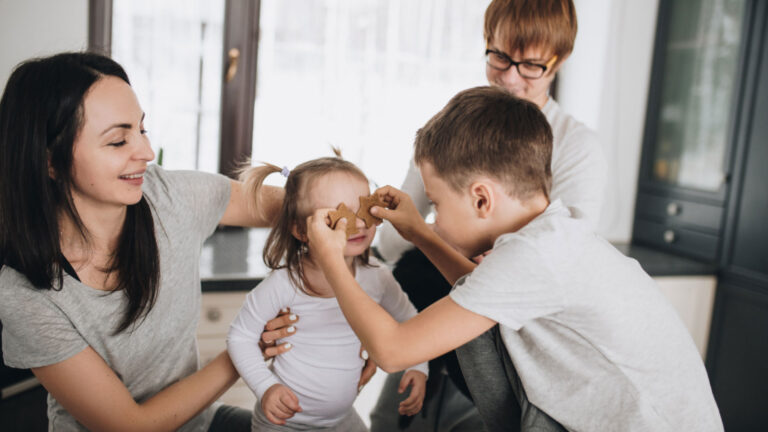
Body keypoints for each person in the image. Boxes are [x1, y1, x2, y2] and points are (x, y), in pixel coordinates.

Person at [305, 86, 724, 431]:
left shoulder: (535, 254)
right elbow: (485, 294)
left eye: (435, 205)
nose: (435, 219)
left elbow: (393, 350)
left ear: (482, 198)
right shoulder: (552, 236)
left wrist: (330, 260)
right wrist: (418, 231)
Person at [0, 52, 283, 431]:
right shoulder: (23, 293)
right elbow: (132, 426)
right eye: (118, 141)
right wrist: (247, 350)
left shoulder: (169, 197)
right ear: (50, 160)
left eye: (142, 130)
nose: (146, 154)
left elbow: (290, 207)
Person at [371, 0, 606, 430]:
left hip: (509, 344)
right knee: (389, 420)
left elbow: (550, 268)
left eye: (532, 65)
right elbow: (392, 244)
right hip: (431, 316)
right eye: (499, 57)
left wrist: (427, 235)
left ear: (562, 59)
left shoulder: (577, 148)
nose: (511, 78)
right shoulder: (457, 128)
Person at [228, 158, 428, 431]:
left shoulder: (377, 277)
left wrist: (419, 366)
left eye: (364, 209)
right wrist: (266, 387)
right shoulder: (285, 283)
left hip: (342, 421)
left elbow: (410, 320)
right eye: (340, 216)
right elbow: (240, 337)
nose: (358, 224)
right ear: (301, 230)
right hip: (283, 425)